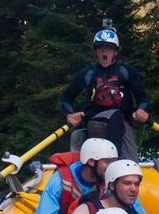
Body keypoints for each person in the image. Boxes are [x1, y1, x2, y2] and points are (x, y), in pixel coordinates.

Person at [61, 24, 150, 160]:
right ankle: (105, 164)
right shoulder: (88, 73)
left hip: (122, 124)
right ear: (95, 52)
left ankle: (118, 167)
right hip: (94, 123)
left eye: (108, 48)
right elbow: (66, 98)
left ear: (115, 52)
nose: (104, 52)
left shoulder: (126, 71)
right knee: (113, 117)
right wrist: (70, 114)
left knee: (132, 165)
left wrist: (141, 110)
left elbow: (142, 97)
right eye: (100, 48)